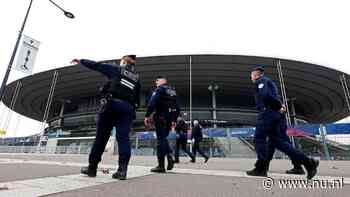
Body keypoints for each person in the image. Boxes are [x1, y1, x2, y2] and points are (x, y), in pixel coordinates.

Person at [72, 55, 141, 180]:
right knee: (124, 139)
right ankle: (122, 170)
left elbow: (97, 65)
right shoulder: (137, 79)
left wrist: (81, 61)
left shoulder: (116, 69)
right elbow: (137, 100)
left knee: (101, 138)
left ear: (124, 61)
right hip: (127, 109)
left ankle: (92, 168)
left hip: (111, 106)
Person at [246, 66, 318, 179]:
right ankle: (308, 163)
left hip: (267, 113)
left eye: (251, 75)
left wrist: (278, 106)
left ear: (256, 74)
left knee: (259, 139)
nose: (251, 77)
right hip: (275, 114)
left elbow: (265, 95)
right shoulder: (269, 82)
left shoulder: (261, 81)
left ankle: (261, 168)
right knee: (277, 142)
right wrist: (279, 107)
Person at [144, 76, 180, 173]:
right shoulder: (173, 91)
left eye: (157, 80)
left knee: (161, 140)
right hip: (169, 119)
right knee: (163, 139)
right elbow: (177, 107)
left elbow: (152, 102)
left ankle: (161, 165)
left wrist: (147, 115)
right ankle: (169, 157)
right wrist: (174, 120)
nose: (156, 82)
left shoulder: (160, 89)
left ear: (163, 81)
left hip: (160, 117)